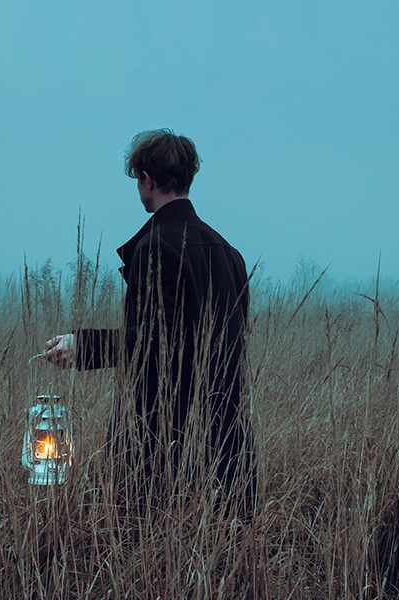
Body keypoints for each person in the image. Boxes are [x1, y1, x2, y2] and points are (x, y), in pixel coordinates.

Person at [43, 129, 257, 520]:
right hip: (227, 443)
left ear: (148, 179)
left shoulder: (155, 246)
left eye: (137, 178)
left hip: (163, 447)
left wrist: (81, 345)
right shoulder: (230, 253)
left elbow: (158, 342)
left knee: (151, 565)